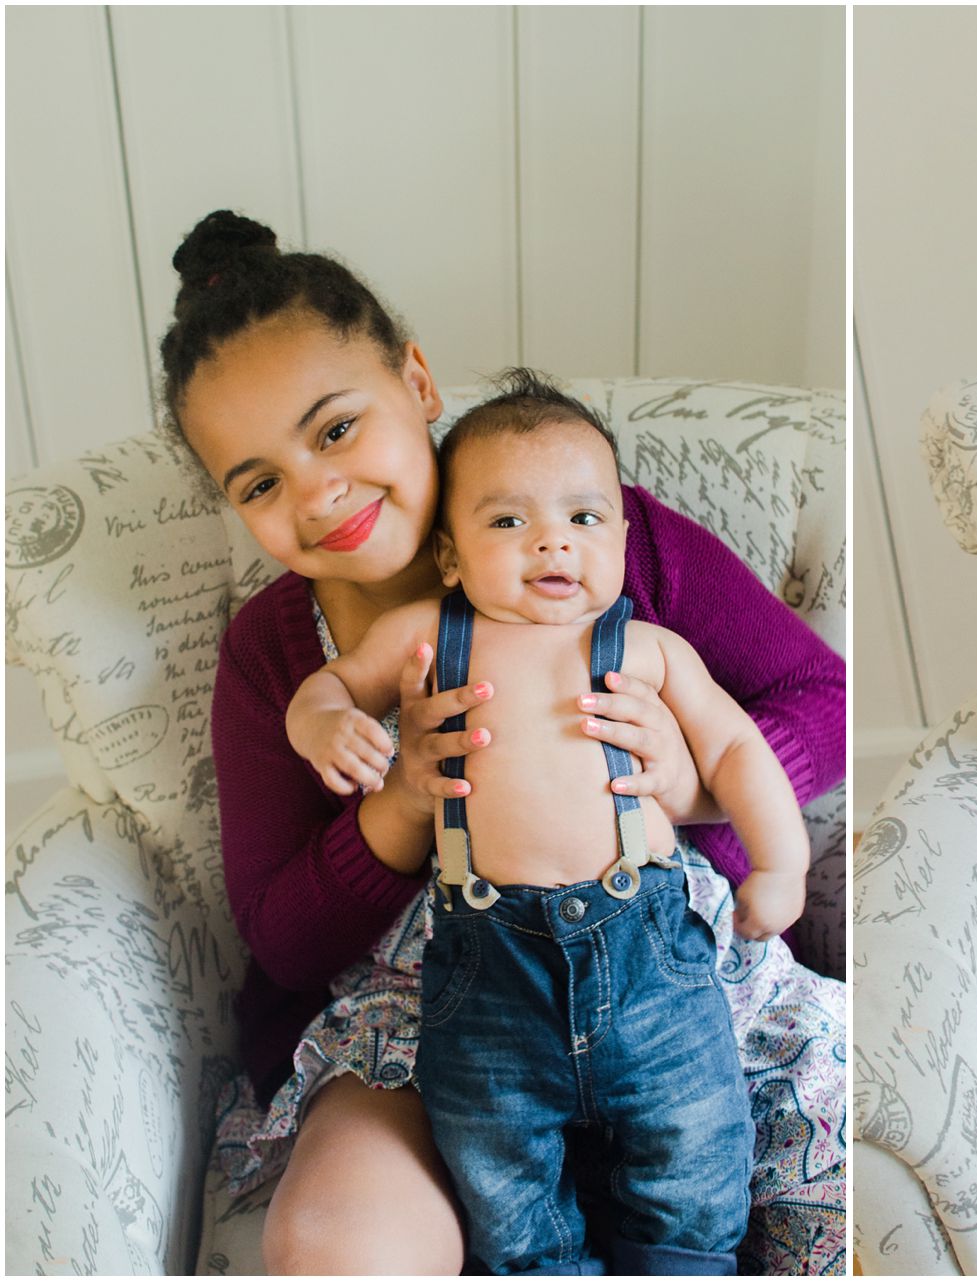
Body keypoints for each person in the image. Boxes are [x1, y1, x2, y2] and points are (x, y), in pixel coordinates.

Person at [159, 210, 845, 1273]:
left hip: (670, 968)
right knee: (339, 1242)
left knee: (790, 1190)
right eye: (258, 483)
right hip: (430, 1011)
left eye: (336, 429)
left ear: (418, 382)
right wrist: (396, 807)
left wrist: (688, 782)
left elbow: (817, 692)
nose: (316, 491)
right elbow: (281, 938)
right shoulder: (276, 654)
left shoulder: (597, 532)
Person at [285, 371, 810, 1272]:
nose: (551, 543)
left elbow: (733, 751)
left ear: (622, 532)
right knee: (501, 1174)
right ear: (451, 556)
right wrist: (328, 721)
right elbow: (325, 688)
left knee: (694, 1143)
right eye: (508, 521)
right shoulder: (427, 632)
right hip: (488, 970)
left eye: (583, 517)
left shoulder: (648, 647)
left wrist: (781, 863)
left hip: (651, 956)